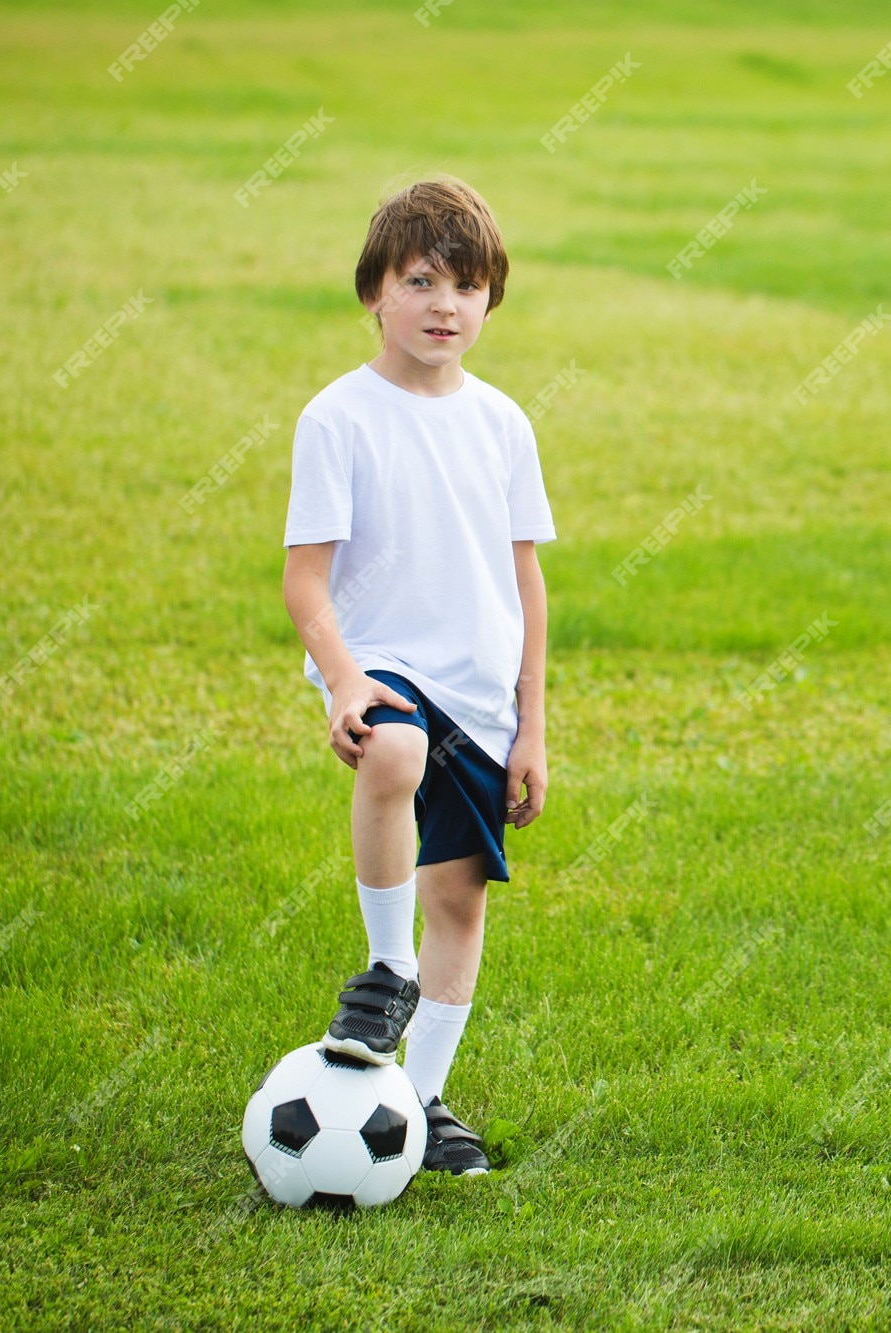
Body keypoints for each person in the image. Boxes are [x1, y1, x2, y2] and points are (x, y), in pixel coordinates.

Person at [280, 176, 554, 1177]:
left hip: (482, 690)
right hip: (383, 661)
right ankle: (385, 970)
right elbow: (305, 580)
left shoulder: (503, 424)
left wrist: (531, 726)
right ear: (373, 292)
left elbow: (526, 581)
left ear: (491, 301)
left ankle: (424, 1099)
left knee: (462, 900)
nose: (446, 306)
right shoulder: (338, 418)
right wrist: (345, 680)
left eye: (469, 286)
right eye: (422, 281)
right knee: (391, 747)